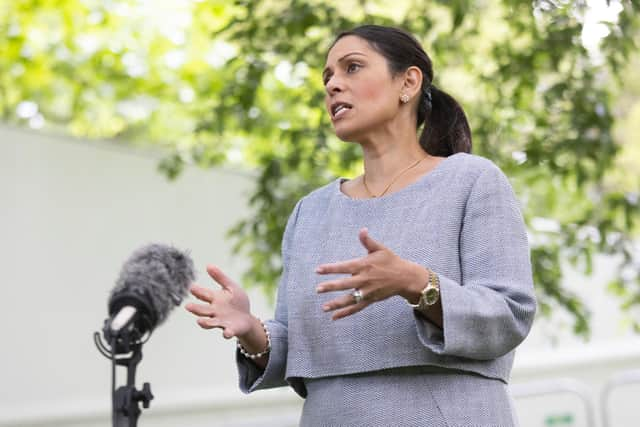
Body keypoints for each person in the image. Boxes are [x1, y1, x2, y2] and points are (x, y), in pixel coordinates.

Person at [186, 24, 537, 426]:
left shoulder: (471, 181)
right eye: (327, 77)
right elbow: (300, 347)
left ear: (408, 82)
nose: (333, 85)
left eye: (352, 68)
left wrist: (415, 282)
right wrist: (252, 332)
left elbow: (509, 313)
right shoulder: (310, 211)